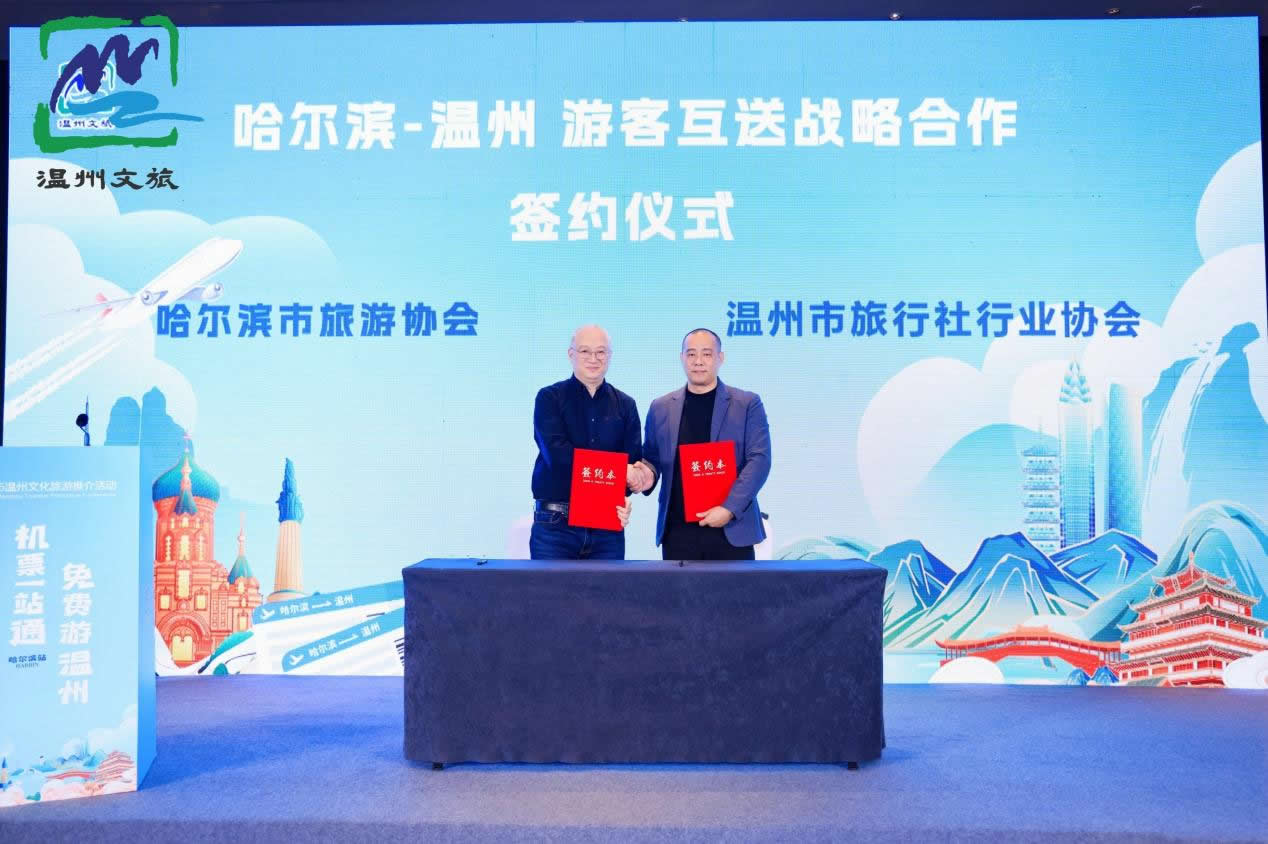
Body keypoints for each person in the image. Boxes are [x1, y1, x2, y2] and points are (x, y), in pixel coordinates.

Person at [637, 328, 770, 560]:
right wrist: (646, 475)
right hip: (678, 532)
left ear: (720, 358)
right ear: (682, 358)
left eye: (707, 354)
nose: (698, 361)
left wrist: (729, 509)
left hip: (731, 529)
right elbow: (651, 458)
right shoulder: (661, 407)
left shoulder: (747, 403)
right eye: (691, 354)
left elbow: (759, 460)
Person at [530, 324, 653, 559]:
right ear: (571, 354)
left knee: (610, 586)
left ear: (610, 355)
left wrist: (636, 479)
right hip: (556, 526)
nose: (594, 359)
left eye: (601, 352)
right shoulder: (549, 398)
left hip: (607, 528)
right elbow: (558, 457)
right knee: (548, 586)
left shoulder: (626, 405)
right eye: (585, 351)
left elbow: (632, 462)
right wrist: (619, 471)